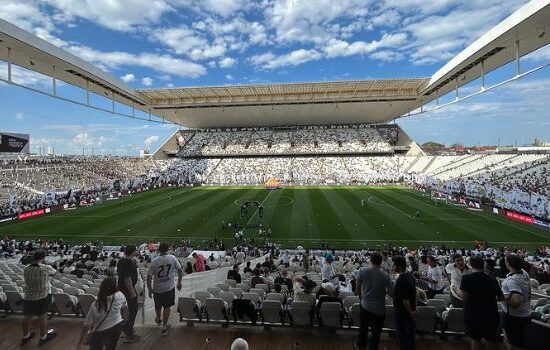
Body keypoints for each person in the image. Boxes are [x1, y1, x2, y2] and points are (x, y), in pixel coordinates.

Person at [456, 255, 504, 350]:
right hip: (490, 313)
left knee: (475, 339)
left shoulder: (466, 278)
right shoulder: (492, 279)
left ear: (470, 265)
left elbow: (464, 296)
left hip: (473, 314)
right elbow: (501, 297)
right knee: (491, 340)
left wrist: (456, 290)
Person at [354, 252, 393, 350]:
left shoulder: (362, 271)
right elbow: (391, 294)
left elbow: (358, 286)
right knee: (376, 333)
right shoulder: (386, 276)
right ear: (381, 262)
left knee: (363, 328)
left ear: (371, 260)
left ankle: (360, 345)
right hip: (378, 309)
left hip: (365, 305)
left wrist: (360, 297)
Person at [78, 277, 128, 350]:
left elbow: (86, 325)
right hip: (117, 327)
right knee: (111, 347)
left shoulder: (96, 304)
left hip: (100, 332)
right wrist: (124, 320)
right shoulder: (120, 295)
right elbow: (125, 308)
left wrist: (80, 343)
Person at [20, 249, 57, 346]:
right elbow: (54, 272)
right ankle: (43, 337)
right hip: (43, 295)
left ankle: (25, 336)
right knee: (43, 316)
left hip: (29, 295)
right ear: (43, 258)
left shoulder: (27, 268)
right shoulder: (45, 267)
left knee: (27, 316)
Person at [147, 242, 183, 336]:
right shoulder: (172, 258)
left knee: (157, 305)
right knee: (167, 307)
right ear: (168, 249)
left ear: (159, 250)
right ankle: (164, 326)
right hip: (169, 287)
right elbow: (180, 271)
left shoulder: (154, 261)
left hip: (157, 288)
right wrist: (179, 282)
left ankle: (158, 319)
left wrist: (150, 289)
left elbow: (149, 277)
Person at [501, 254, 532, 350]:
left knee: (515, 344)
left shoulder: (511, 280)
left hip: (514, 317)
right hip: (525, 313)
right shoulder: (524, 273)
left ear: (509, 264)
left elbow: (516, 302)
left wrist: (502, 297)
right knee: (519, 342)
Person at [393, 255, 417, 350]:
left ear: (398, 266)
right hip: (409, 312)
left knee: (404, 338)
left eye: (394, 265)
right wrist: (414, 309)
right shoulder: (409, 276)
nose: (393, 267)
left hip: (403, 313)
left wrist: (411, 312)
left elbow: (405, 300)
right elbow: (413, 294)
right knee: (410, 337)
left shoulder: (401, 280)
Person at [117, 245, 140, 343]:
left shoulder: (122, 260)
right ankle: (129, 335)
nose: (137, 251)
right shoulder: (128, 262)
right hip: (127, 290)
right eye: (136, 250)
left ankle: (125, 331)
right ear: (132, 252)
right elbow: (127, 279)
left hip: (122, 289)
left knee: (125, 312)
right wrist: (132, 292)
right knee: (132, 311)